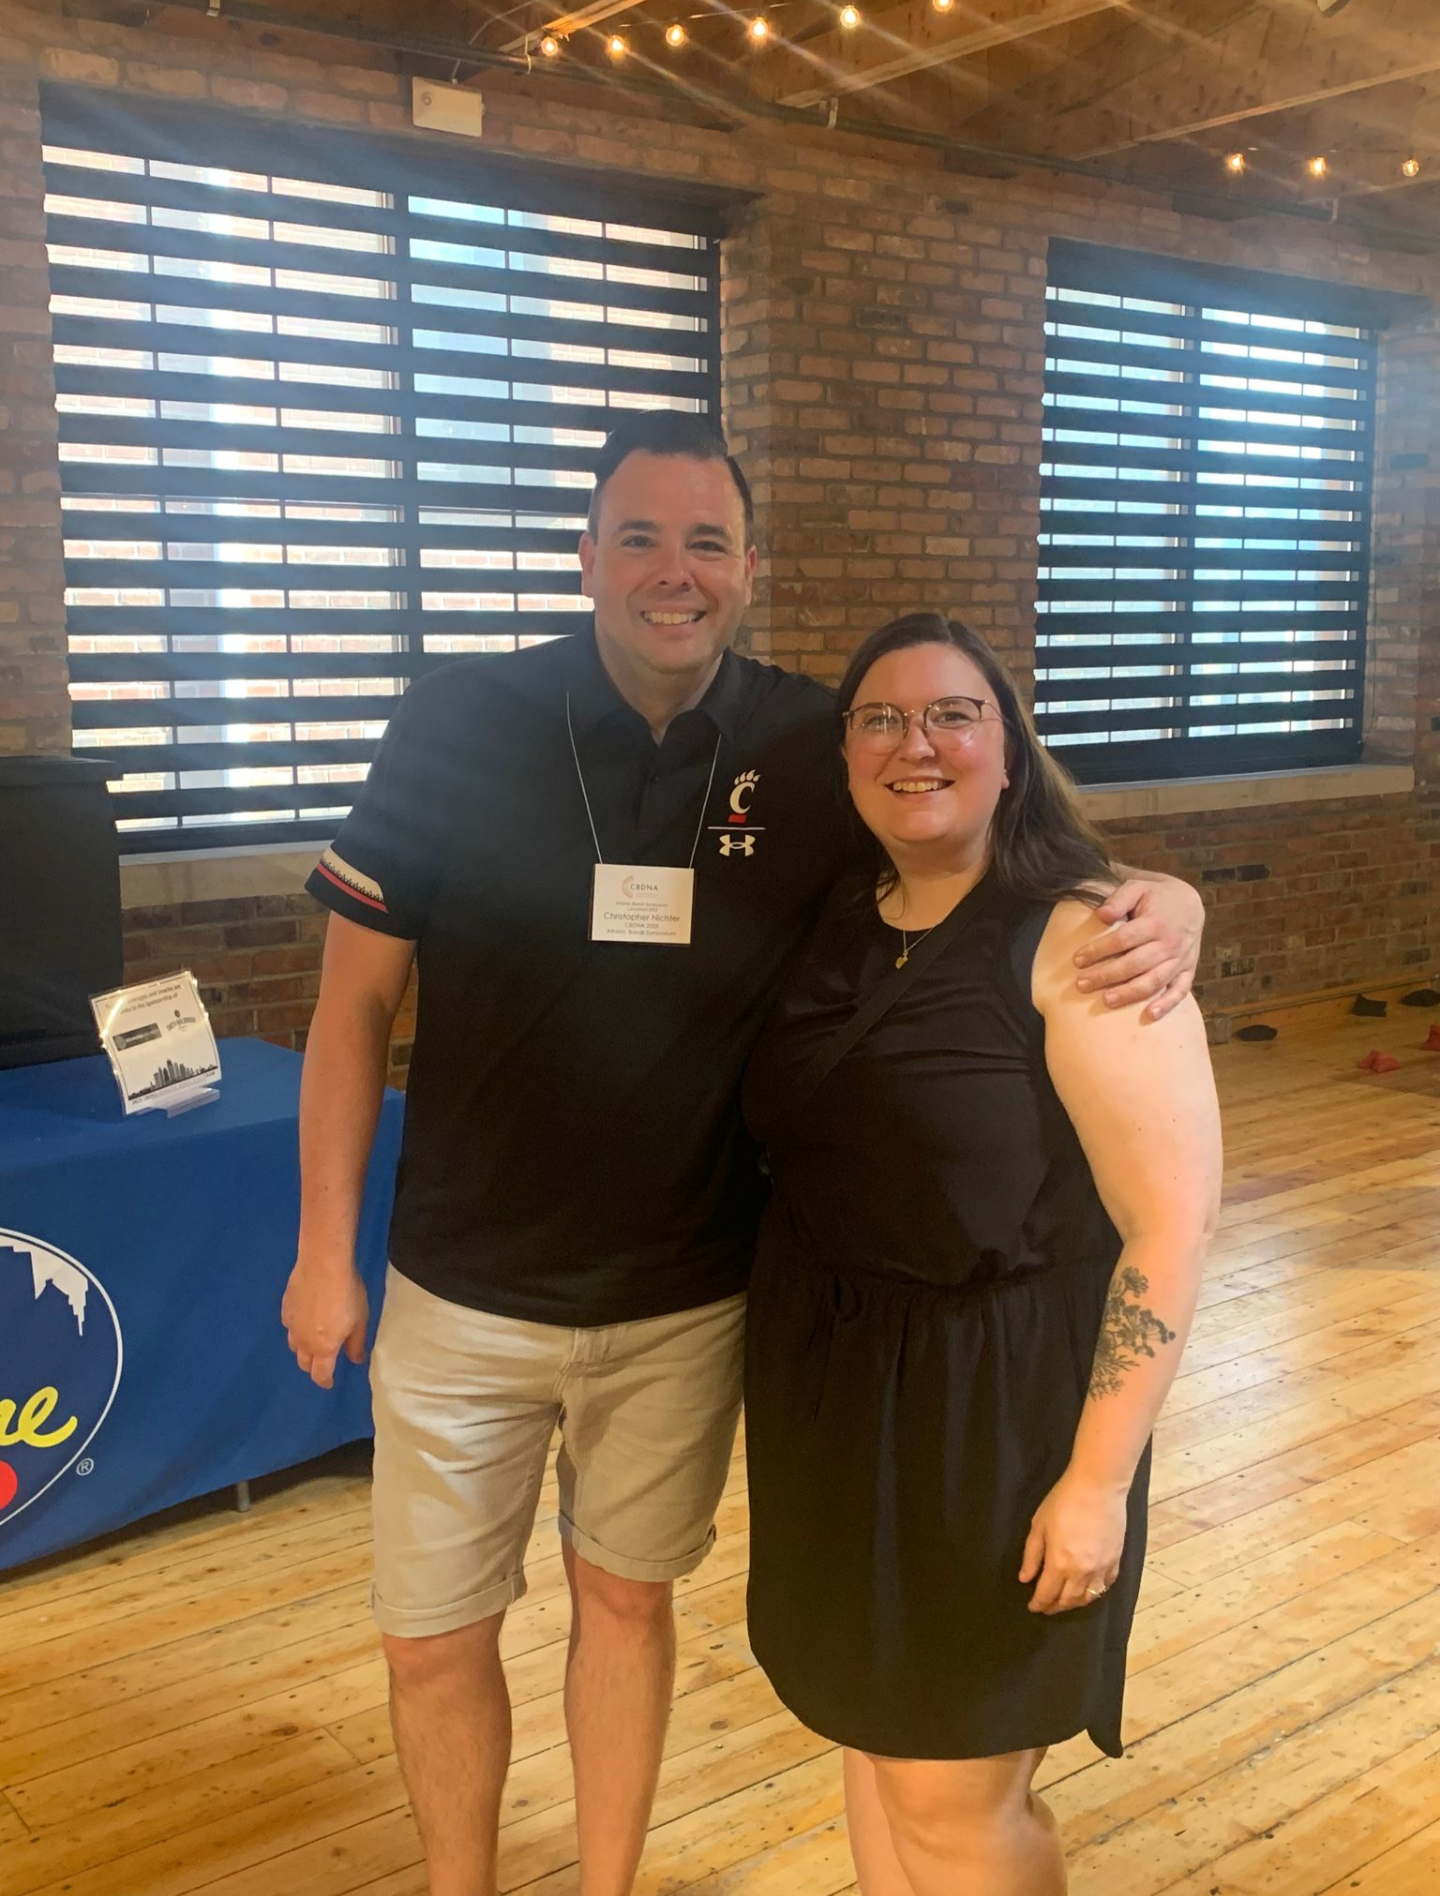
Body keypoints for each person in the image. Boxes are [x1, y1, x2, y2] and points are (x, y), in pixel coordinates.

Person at [280, 412, 1207, 1896]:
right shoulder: (455, 719)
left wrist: (1162, 893)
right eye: (639, 536)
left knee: (627, 1609)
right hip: (463, 1290)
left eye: (707, 541)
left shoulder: (807, 739)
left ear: (752, 568)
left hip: (691, 1298)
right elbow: (348, 1011)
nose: (673, 570)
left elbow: (980, 832)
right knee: (433, 1636)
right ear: (585, 556)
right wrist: (325, 1252)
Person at [741, 610, 1223, 1896]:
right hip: (835, 1398)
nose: (919, 743)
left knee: (959, 1794)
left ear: (1009, 749)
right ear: (844, 753)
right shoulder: (839, 912)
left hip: (997, 1409)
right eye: (882, 717)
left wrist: (1098, 1482)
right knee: (874, 1730)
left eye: (955, 714)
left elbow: (1170, 1228)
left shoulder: (1086, 941)